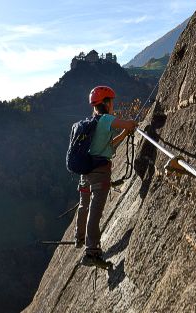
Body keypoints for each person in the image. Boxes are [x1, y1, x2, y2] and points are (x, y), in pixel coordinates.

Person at [74, 86, 138, 268]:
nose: (113, 105)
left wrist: (124, 135)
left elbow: (107, 145)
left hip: (85, 173)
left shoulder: (91, 122)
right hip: (99, 173)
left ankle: (79, 237)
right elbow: (129, 124)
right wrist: (129, 127)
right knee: (95, 210)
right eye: (112, 101)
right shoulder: (107, 119)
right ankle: (91, 251)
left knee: (84, 205)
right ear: (107, 102)